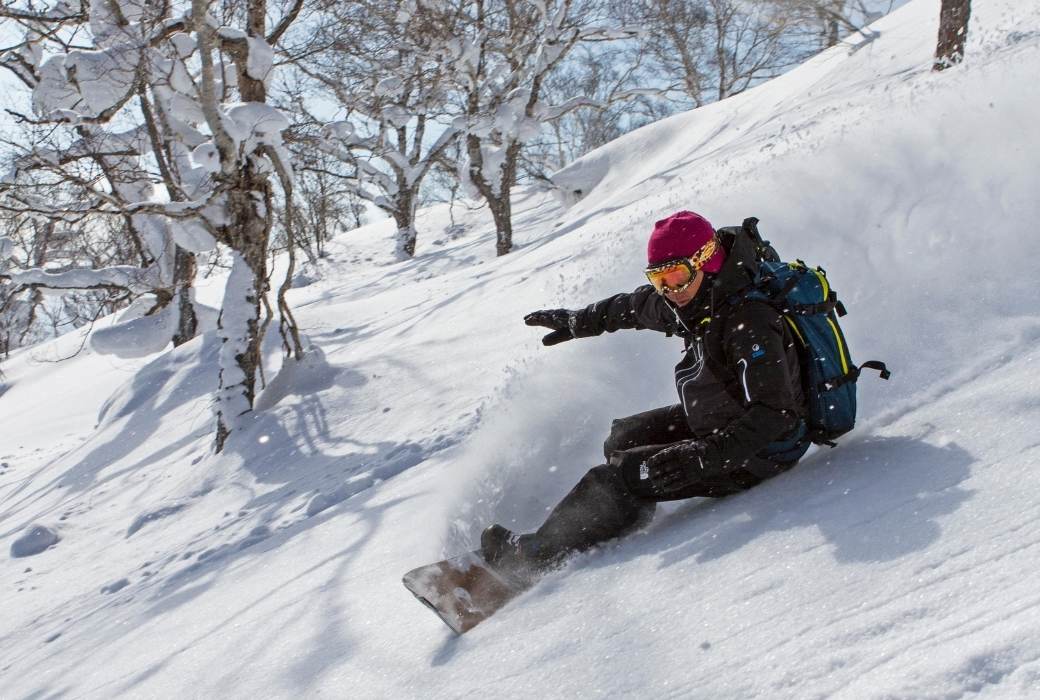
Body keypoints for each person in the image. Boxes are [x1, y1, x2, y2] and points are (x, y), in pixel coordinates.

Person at [481, 210, 812, 575]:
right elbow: (634, 307)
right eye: (660, 278)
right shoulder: (696, 296)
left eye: (676, 275)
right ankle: (618, 514)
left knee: (612, 477)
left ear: (706, 259)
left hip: (764, 449)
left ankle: (531, 559)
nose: (670, 290)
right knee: (622, 438)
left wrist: (705, 457)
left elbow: (777, 415)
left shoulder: (748, 320)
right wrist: (579, 322)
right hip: (723, 419)